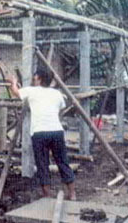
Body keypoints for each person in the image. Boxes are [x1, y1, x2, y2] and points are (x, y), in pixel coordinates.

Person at [8, 67, 77, 200]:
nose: (34, 79)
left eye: (35, 77)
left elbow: (16, 93)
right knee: (62, 161)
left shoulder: (31, 91)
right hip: (56, 131)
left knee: (42, 163)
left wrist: (13, 83)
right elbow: (61, 109)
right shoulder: (56, 94)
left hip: (39, 133)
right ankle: (72, 193)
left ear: (39, 78)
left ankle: (47, 195)